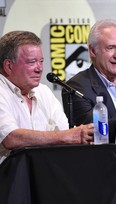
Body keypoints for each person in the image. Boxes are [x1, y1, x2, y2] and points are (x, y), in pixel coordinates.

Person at [0, 30, 95, 163]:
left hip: (44, 174)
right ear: (8, 66)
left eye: (41, 61)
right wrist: (68, 136)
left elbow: (63, 134)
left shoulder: (44, 92)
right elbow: (11, 138)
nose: (39, 68)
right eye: (32, 62)